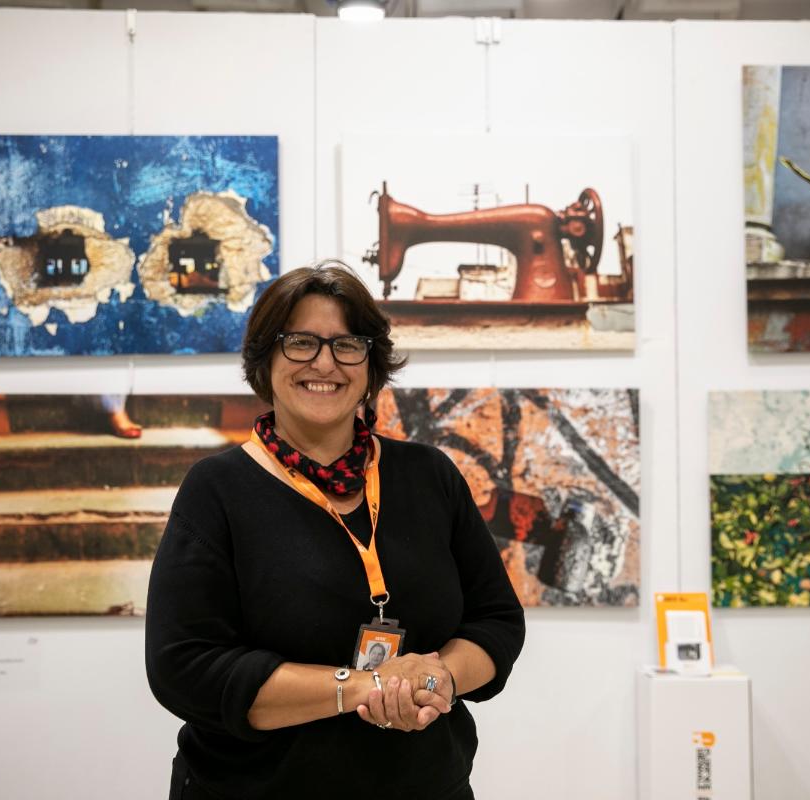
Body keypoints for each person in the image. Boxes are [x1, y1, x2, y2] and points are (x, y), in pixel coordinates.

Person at [145, 260, 526, 800]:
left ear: (371, 365)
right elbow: (184, 667)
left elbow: (497, 620)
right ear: (266, 359)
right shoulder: (217, 490)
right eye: (300, 342)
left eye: (347, 345)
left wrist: (435, 679)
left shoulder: (430, 475)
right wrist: (365, 687)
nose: (324, 362)